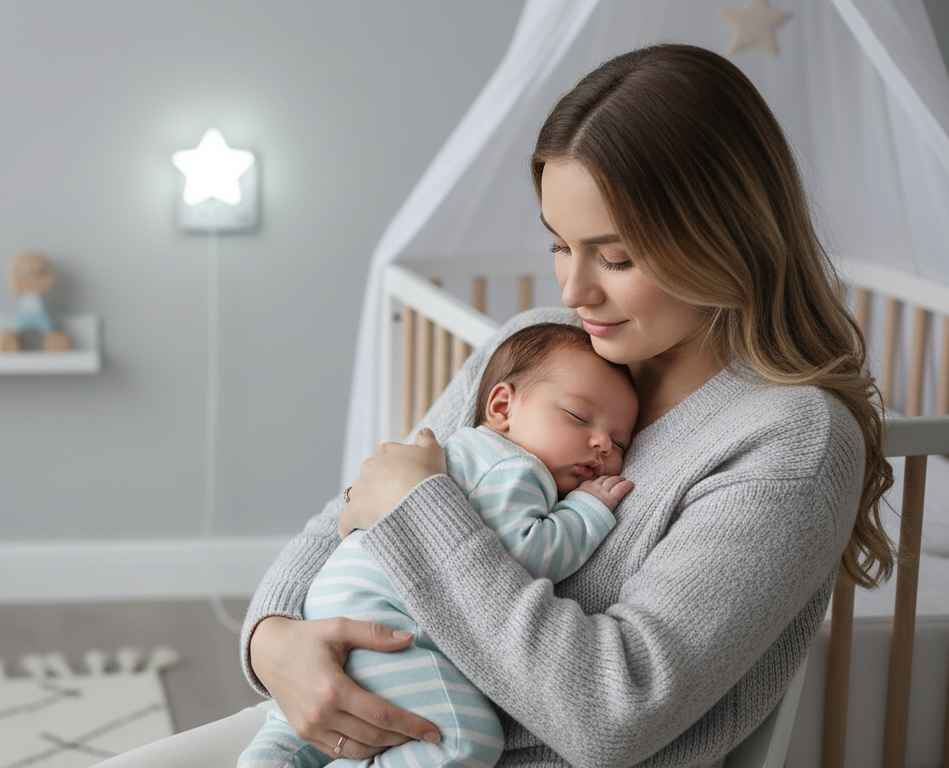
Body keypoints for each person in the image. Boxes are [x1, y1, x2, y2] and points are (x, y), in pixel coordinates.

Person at [90, 43, 893, 768]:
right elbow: (358, 512)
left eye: (614, 256)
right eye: (558, 244)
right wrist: (275, 642)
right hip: (357, 716)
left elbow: (612, 715)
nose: (574, 290)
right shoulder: (544, 346)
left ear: (726, 237)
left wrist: (423, 507)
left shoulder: (786, 443)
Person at [237, 323, 638, 767]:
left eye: (619, 442)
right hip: (387, 617)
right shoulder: (516, 470)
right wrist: (586, 511)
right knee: (464, 742)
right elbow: (526, 555)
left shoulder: (459, 448)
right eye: (579, 418)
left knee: (293, 735)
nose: (602, 443)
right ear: (503, 406)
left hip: (334, 603)